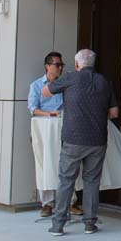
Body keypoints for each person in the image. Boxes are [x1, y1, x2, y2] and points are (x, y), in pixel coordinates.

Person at [42, 48, 120, 236]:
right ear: (93, 64)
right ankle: (90, 224)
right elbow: (114, 113)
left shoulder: (70, 78)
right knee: (92, 181)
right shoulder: (104, 82)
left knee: (66, 181)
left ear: (77, 64)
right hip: (97, 140)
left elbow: (45, 92)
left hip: (73, 139)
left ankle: (58, 224)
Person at [27, 51, 80, 218]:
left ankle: (70, 202)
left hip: (64, 128)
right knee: (44, 164)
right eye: (57, 65)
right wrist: (50, 114)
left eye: (62, 65)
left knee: (67, 164)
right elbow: (33, 108)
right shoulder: (36, 85)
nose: (60, 68)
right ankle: (47, 204)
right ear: (47, 66)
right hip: (44, 129)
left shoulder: (65, 84)